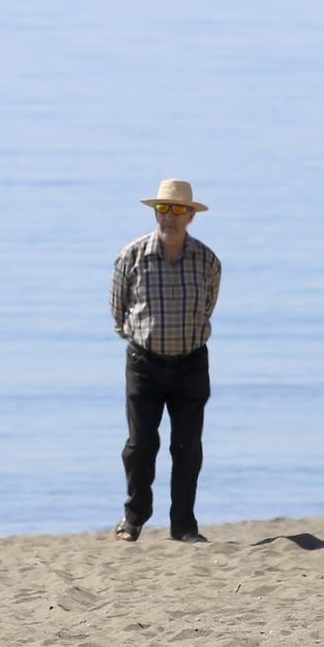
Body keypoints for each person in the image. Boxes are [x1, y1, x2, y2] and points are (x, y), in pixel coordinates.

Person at [110, 179, 222, 544]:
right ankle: (134, 518)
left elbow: (208, 307)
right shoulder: (132, 256)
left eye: (177, 210)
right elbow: (118, 310)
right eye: (163, 209)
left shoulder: (207, 261)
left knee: (187, 447)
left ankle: (184, 526)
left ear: (190, 216)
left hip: (191, 364)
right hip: (144, 363)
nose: (169, 217)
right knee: (140, 445)